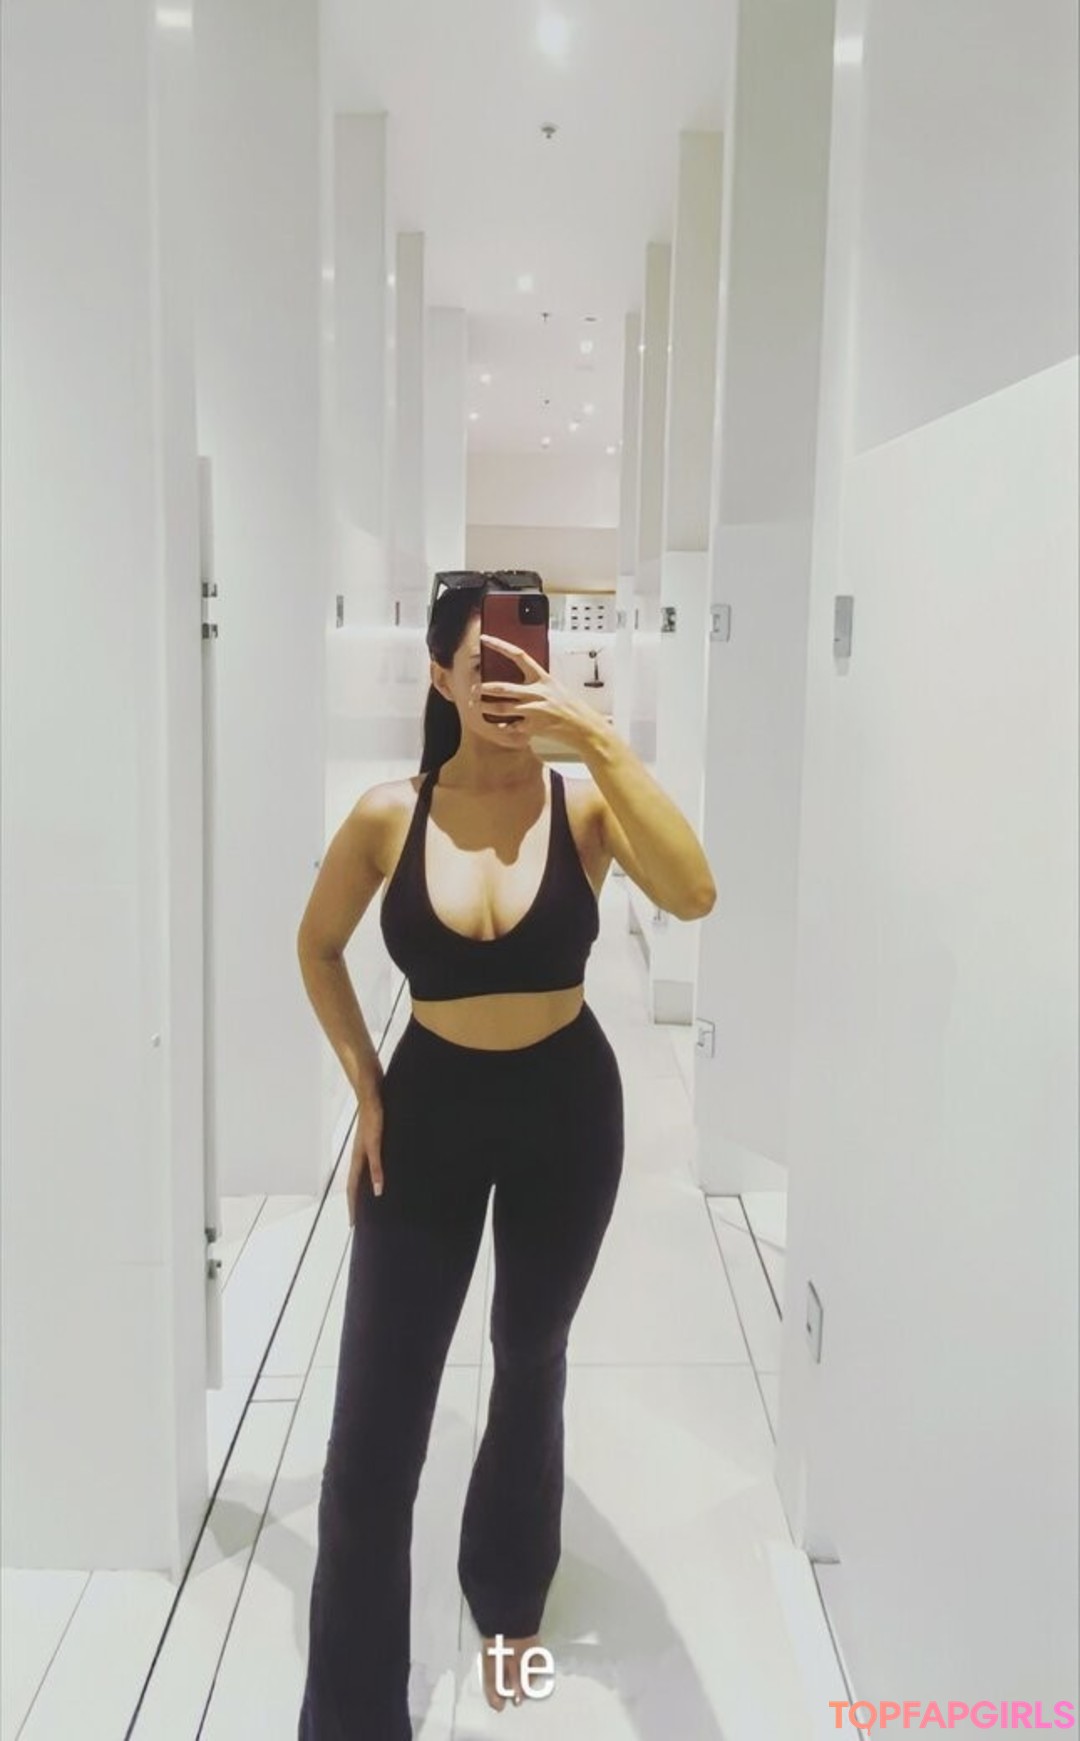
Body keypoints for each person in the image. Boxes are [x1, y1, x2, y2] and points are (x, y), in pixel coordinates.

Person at [295, 576, 717, 1738]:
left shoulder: (583, 808)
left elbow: (693, 890)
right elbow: (318, 946)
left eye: (524, 661)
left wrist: (594, 735)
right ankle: (352, 1715)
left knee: (530, 1354)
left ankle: (510, 1598)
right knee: (375, 1428)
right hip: (427, 1114)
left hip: (565, 1112)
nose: (506, 682)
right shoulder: (388, 816)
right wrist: (366, 1087)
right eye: (483, 663)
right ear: (440, 674)